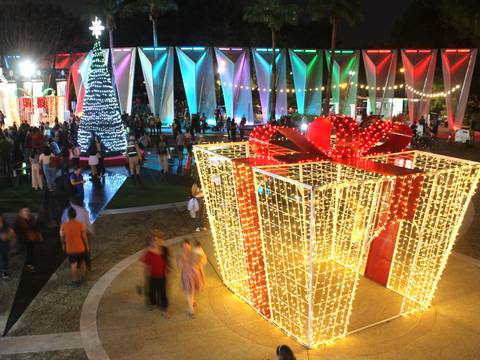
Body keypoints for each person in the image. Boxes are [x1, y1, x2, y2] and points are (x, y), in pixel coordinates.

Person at [141, 230, 169, 317]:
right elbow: (145, 266)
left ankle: (164, 310)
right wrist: (144, 277)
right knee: (152, 291)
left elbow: (166, 261)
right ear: (151, 241)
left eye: (158, 240)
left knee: (163, 292)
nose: (156, 242)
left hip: (162, 276)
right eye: (154, 240)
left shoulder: (163, 250)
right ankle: (153, 303)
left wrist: (167, 269)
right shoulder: (148, 253)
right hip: (152, 276)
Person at [60, 207, 88, 287]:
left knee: (73, 265)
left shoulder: (64, 225)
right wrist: (87, 245)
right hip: (80, 247)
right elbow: (84, 237)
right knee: (82, 262)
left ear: (68, 215)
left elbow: (62, 237)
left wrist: (63, 245)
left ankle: (75, 281)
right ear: (75, 215)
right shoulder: (80, 224)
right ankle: (83, 277)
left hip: (70, 249)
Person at [176, 240, 200, 318]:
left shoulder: (194, 253)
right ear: (182, 247)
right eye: (184, 246)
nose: (186, 248)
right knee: (189, 291)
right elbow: (179, 267)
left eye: (187, 246)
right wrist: (183, 263)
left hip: (194, 274)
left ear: (190, 245)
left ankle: (192, 301)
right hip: (186, 275)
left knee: (193, 290)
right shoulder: (180, 256)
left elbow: (199, 262)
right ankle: (191, 310)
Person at [0, 214, 15, 279]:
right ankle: (3, 272)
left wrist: (8, 236)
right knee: (1, 258)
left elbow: (11, 231)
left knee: (5, 258)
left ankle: (4, 271)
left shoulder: (5, 223)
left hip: (5, 244)